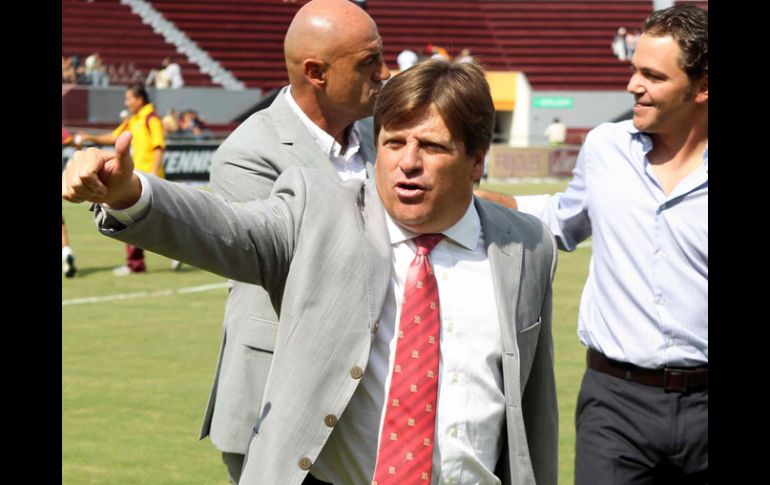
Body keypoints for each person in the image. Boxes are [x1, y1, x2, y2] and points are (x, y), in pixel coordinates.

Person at [63, 59, 558, 485]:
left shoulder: (527, 245)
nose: (407, 162)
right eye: (393, 143)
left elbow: (533, 408)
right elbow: (225, 227)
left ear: (475, 160)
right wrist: (131, 194)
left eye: (431, 146)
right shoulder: (318, 210)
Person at [479, 5, 708, 483]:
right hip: (615, 404)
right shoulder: (605, 146)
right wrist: (471, 198)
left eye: (653, 76)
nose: (633, 86)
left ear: (702, 87)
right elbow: (562, 220)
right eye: (635, 70)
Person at [202, 0, 389, 481]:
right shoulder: (247, 154)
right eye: (369, 62)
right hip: (278, 401)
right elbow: (302, 262)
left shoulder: (381, 135)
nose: (384, 73)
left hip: (369, 397)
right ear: (316, 73)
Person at [76, 83, 166, 276]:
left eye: (129, 98)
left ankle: (136, 264)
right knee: (142, 220)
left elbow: (159, 147)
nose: (126, 102)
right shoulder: (133, 120)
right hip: (136, 177)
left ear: (139, 99)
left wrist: (153, 171)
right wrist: (90, 137)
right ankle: (168, 252)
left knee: (129, 218)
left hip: (149, 179)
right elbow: (114, 137)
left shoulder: (151, 119)